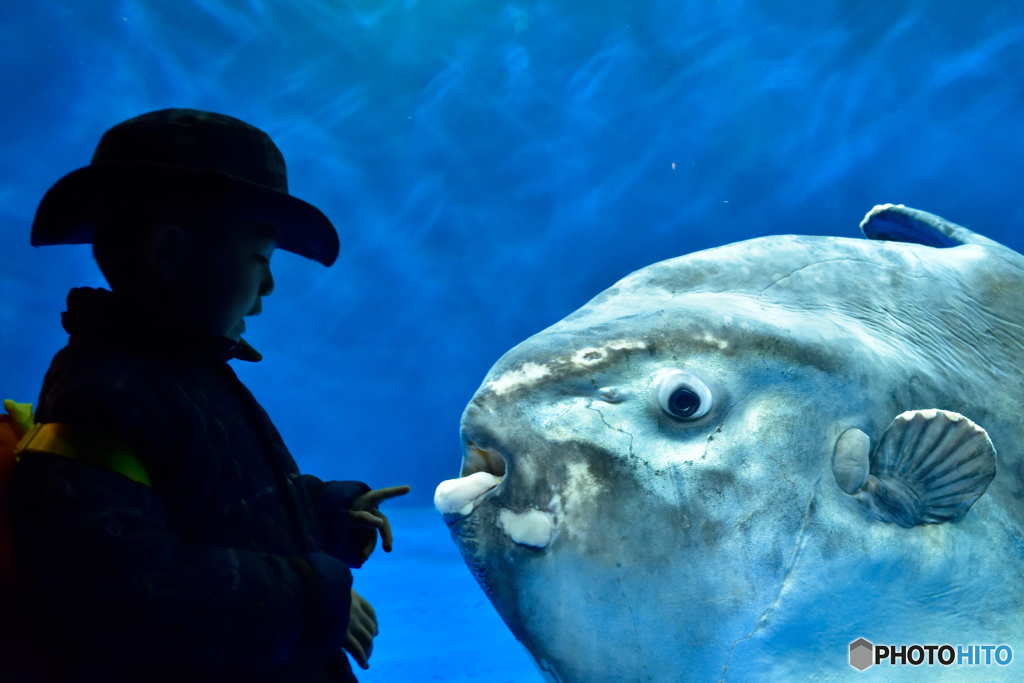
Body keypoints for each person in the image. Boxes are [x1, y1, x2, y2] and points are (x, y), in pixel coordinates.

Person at [7, 108, 409, 682]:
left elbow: (211, 507)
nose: (268, 288)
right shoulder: (106, 396)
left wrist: (327, 513)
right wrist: (310, 600)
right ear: (171, 252)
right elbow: (124, 591)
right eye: (259, 259)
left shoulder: (183, 375)